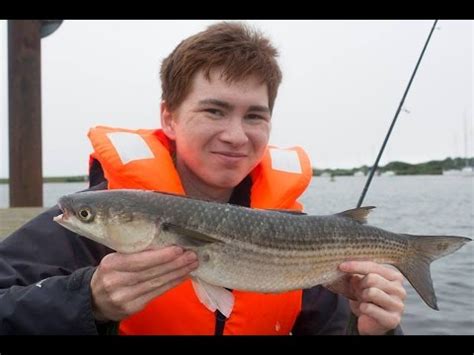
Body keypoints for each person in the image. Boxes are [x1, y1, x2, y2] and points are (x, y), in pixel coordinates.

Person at [0, 21, 405, 335]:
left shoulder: (299, 239)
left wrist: (372, 329)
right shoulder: (95, 221)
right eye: (214, 110)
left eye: (254, 115)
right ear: (169, 118)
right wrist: (86, 301)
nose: (235, 135)